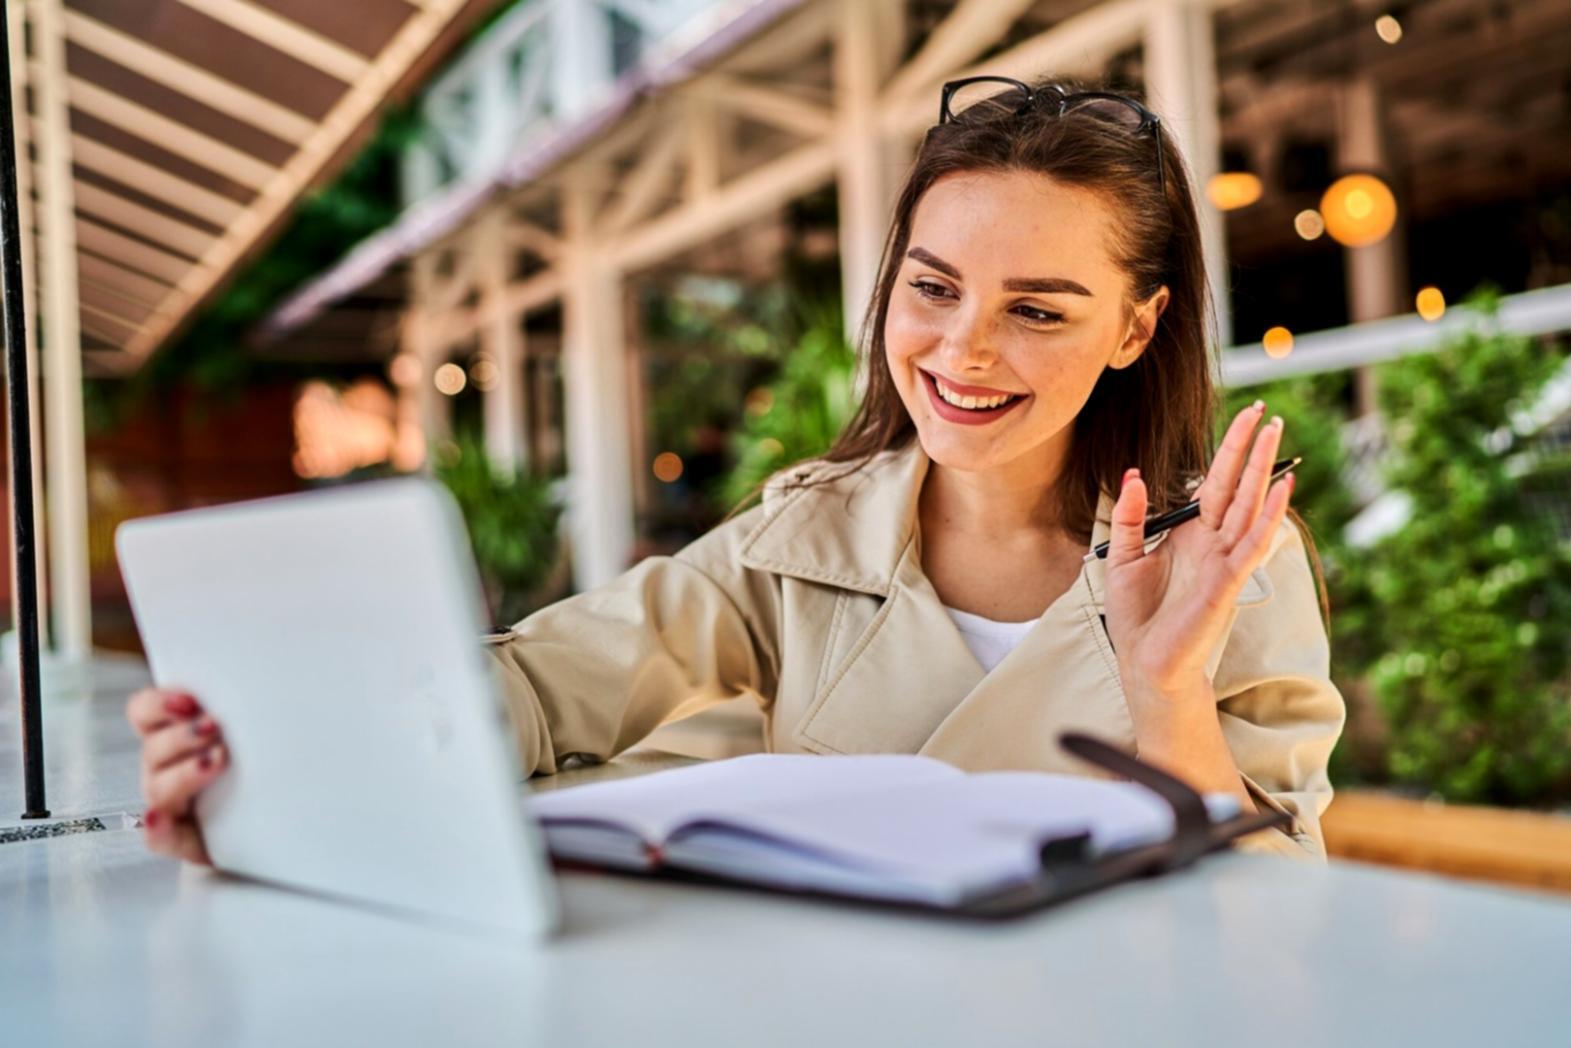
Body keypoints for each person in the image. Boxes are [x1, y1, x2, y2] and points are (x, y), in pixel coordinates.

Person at [126, 77, 1345, 866]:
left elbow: (1277, 906)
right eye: (931, 288)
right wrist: (282, 762)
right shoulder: (806, 539)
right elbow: (544, 690)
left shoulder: (1222, 561)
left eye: (1036, 309)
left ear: (1134, 329)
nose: (961, 350)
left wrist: (1166, 686)